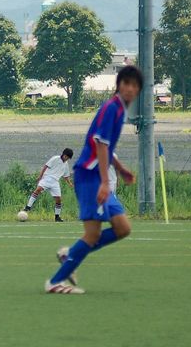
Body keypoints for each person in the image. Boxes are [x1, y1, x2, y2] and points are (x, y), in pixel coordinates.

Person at [45, 66, 142, 294]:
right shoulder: (112, 108)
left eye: (135, 85)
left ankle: (71, 254)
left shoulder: (119, 110)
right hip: (90, 177)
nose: (130, 88)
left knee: (123, 227)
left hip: (98, 177)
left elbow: (106, 145)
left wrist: (120, 168)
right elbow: (101, 145)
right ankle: (55, 282)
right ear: (119, 85)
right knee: (93, 234)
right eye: (126, 83)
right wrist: (105, 183)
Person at [24, 148, 74, 222]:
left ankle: (57, 217)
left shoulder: (66, 164)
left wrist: (69, 183)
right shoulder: (55, 158)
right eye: (66, 156)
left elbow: (66, 176)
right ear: (63, 154)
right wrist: (40, 176)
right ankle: (28, 207)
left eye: (68, 158)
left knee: (58, 200)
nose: (66, 158)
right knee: (38, 189)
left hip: (55, 182)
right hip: (47, 178)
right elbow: (45, 166)